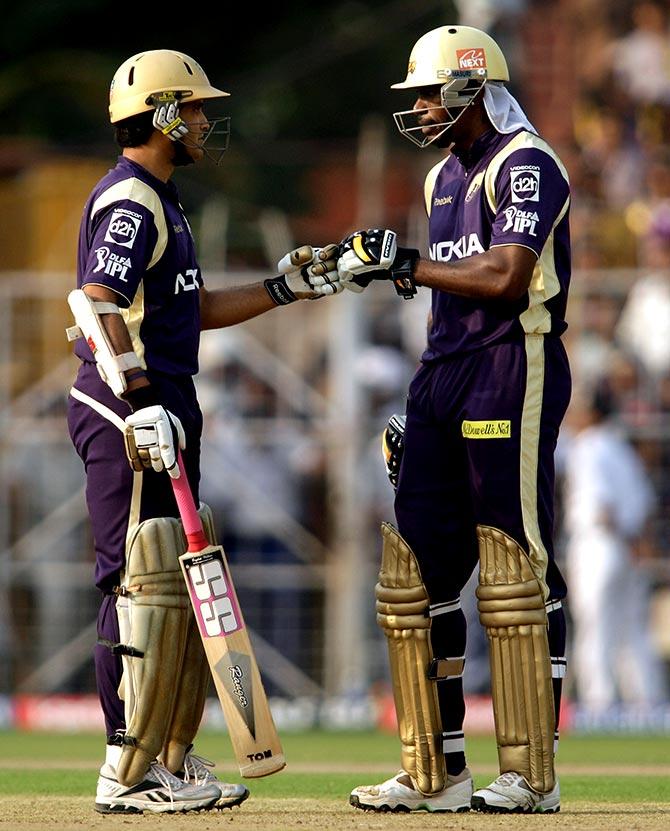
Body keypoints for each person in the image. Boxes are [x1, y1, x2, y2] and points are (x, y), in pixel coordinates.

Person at [65, 49, 342, 815]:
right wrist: (140, 396)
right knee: (136, 584)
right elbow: (97, 300)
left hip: (159, 402)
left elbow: (192, 311)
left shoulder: (165, 199)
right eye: (191, 109)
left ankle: (164, 757)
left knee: (169, 589)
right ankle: (126, 765)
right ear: (159, 115)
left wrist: (284, 286)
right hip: (130, 408)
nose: (202, 122)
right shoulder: (132, 200)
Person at [336, 25, 571, 814]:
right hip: (441, 374)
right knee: (414, 578)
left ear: (475, 87)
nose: (422, 107)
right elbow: (446, 288)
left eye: (433, 92)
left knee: (510, 565)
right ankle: (433, 771)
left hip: (511, 362)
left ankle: (531, 774)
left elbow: (506, 276)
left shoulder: (527, 161)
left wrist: (405, 262)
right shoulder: (442, 177)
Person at [561, 382, 668, 716]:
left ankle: (599, 705)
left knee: (596, 626)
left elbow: (601, 506)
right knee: (632, 628)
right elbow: (645, 506)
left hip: (599, 543)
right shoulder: (622, 447)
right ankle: (648, 704)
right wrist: (638, 546)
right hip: (629, 547)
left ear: (592, 411)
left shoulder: (588, 446)